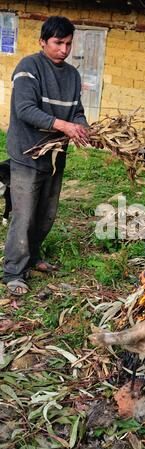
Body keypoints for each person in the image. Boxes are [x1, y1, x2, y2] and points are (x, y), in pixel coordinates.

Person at [3, 16, 91, 295]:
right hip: (27, 154)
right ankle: (14, 272)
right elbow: (25, 110)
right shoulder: (29, 68)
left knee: (46, 214)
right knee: (24, 214)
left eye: (68, 43)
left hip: (55, 156)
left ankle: (34, 257)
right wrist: (63, 125)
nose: (63, 49)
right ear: (43, 42)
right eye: (58, 43)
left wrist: (83, 127)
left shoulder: (72, 75)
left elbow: (77, 111)